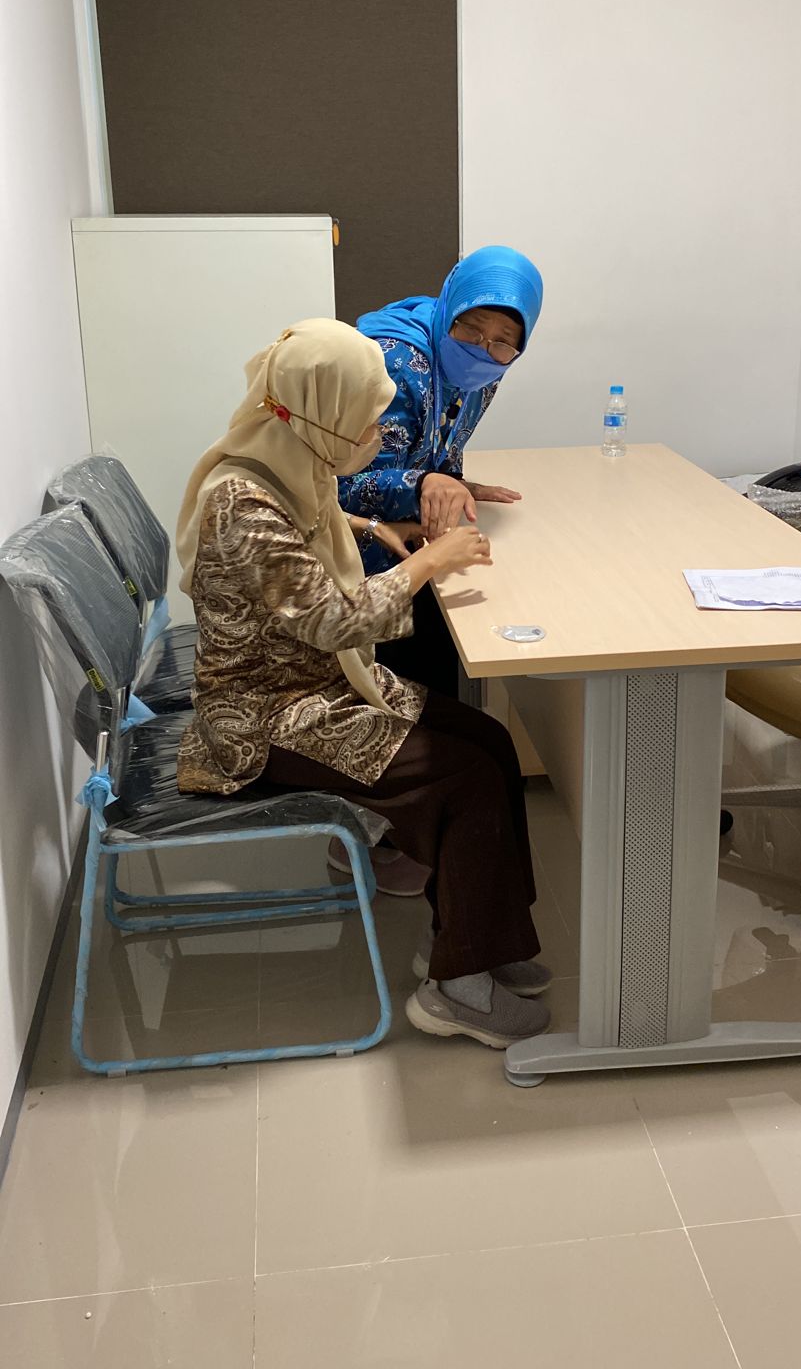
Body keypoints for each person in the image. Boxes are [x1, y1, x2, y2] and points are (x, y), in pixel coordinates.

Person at [175, 319, 551, 1048]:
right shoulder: (240, 502)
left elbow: (314, 512)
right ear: (320, 413)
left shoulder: (284, 455)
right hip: (265, 716)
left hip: (314, 682)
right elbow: (333, 620)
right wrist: (430, 561)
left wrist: (372, 529)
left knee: (488, 739)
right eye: (369, 417)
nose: (379, 432)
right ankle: (458, 991)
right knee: (465, 777)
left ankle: (479, 940)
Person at [338, 246, 543, 698]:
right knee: (451, 646)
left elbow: (432, 449)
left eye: (504, 340)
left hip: (405, 547)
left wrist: (455, 484)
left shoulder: (486, 369)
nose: (483, 348)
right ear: (452, 308)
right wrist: (425, 484)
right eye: (472, 328)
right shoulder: (395, 362)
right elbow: (337, 487)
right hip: (351, 572)